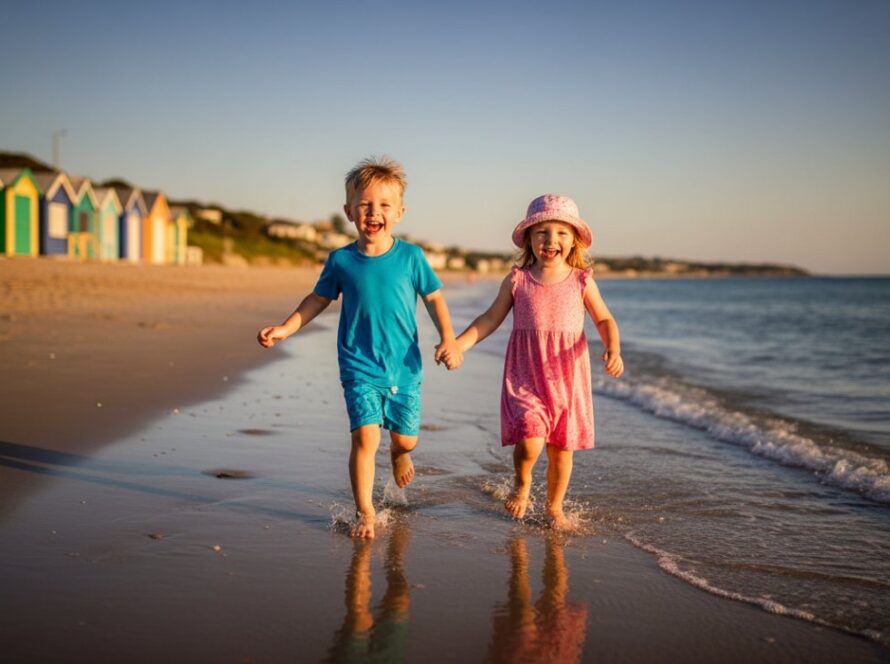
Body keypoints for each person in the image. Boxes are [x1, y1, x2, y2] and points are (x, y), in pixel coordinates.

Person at [257, 156, 461, 539]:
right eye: (365, 204)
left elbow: (434, 299)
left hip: (404, 366)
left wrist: (448, 338)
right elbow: (317, 300)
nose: (374, 212)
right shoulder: (341, 260)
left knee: (405, 438)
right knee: (365, 436)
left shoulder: (412, 257)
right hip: (358, 364)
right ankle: (365, 511)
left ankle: (400, 454)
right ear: (349, 211)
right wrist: (286, 328)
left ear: (399, 212)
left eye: (384, 205)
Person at [441, 194, 623, 530]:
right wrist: (459, 344)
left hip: (567, 378)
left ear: (574, 241)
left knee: (561, 450)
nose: (551, 240)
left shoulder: (582, 281)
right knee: (530, 442)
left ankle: (554, 507)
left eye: (561, 233)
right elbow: (490, 318)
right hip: (526, 375)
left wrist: (613, 347)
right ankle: (522, 483)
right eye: (542, 232)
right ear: (529, 238)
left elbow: (605, 320)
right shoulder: (518, 280)